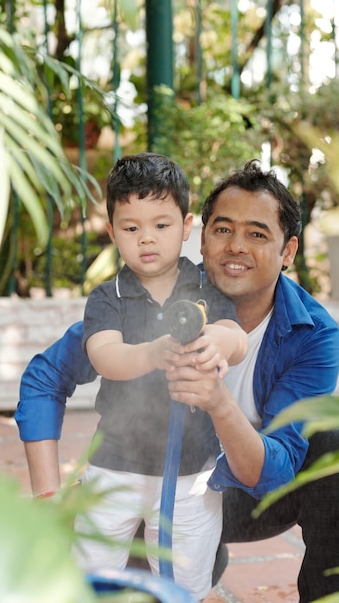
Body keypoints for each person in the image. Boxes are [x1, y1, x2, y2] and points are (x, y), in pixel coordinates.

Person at [15, 160, 339, 602]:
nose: (236, 246)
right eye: (223, 229)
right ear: (200, 235)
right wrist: (47, 493)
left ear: (289, 250)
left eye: (257, 234)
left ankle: (327, 594)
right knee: (135, 578)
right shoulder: (151, 300)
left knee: (337, 444)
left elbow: (274, 474)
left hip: (248, 490)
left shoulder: (312, 333)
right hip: (152, 482)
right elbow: (45, 378)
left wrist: (219, 403)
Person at [53, 152, 249, 601]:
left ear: (186, 226)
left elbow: (233, 334)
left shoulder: (206, 289)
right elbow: (106, 356)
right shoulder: (108, 297)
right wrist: (154, 351)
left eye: (161, 225)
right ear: (112, 232)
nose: (147, 239)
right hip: (114, 466)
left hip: (191, 471)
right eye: (131, 227)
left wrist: (221, 343)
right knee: (93, 574)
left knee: (186, 581)